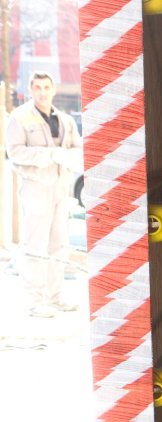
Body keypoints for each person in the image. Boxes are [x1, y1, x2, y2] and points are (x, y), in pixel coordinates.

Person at [6, 72, 83, 318]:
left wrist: (67, 157)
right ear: (31, 90)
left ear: (53, 89)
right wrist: (49, 155)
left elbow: (78, 149)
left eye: (46, 87)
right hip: (36, 188)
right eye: (37, 87)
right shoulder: (19, 118)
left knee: (59, 244)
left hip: (61, 187)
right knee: (35, 245)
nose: (42, 92)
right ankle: (35, 301)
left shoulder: (65, 120)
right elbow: (15, 152)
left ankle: (55, 297)